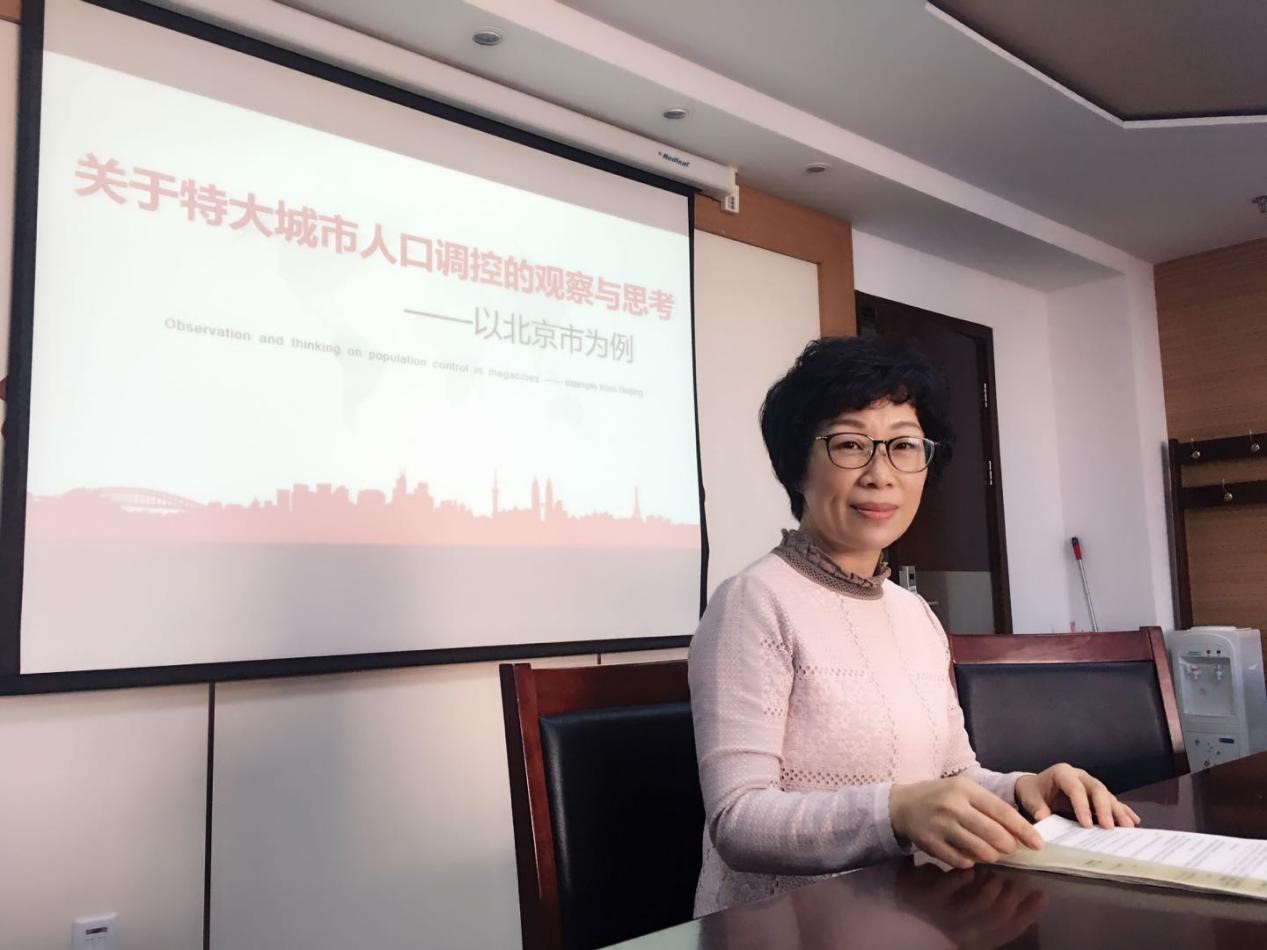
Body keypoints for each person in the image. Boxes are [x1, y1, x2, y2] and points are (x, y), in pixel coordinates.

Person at [689, 335, 1139, 916]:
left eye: (904, 446)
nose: (881, 474)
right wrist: (896, 812)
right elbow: (738, 819)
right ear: (797, 464)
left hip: (908, 915)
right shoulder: (752, 602)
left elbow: (952, 774)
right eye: (850, 444)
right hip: (776, 928)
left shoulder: (916, 614)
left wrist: (1024, 789)